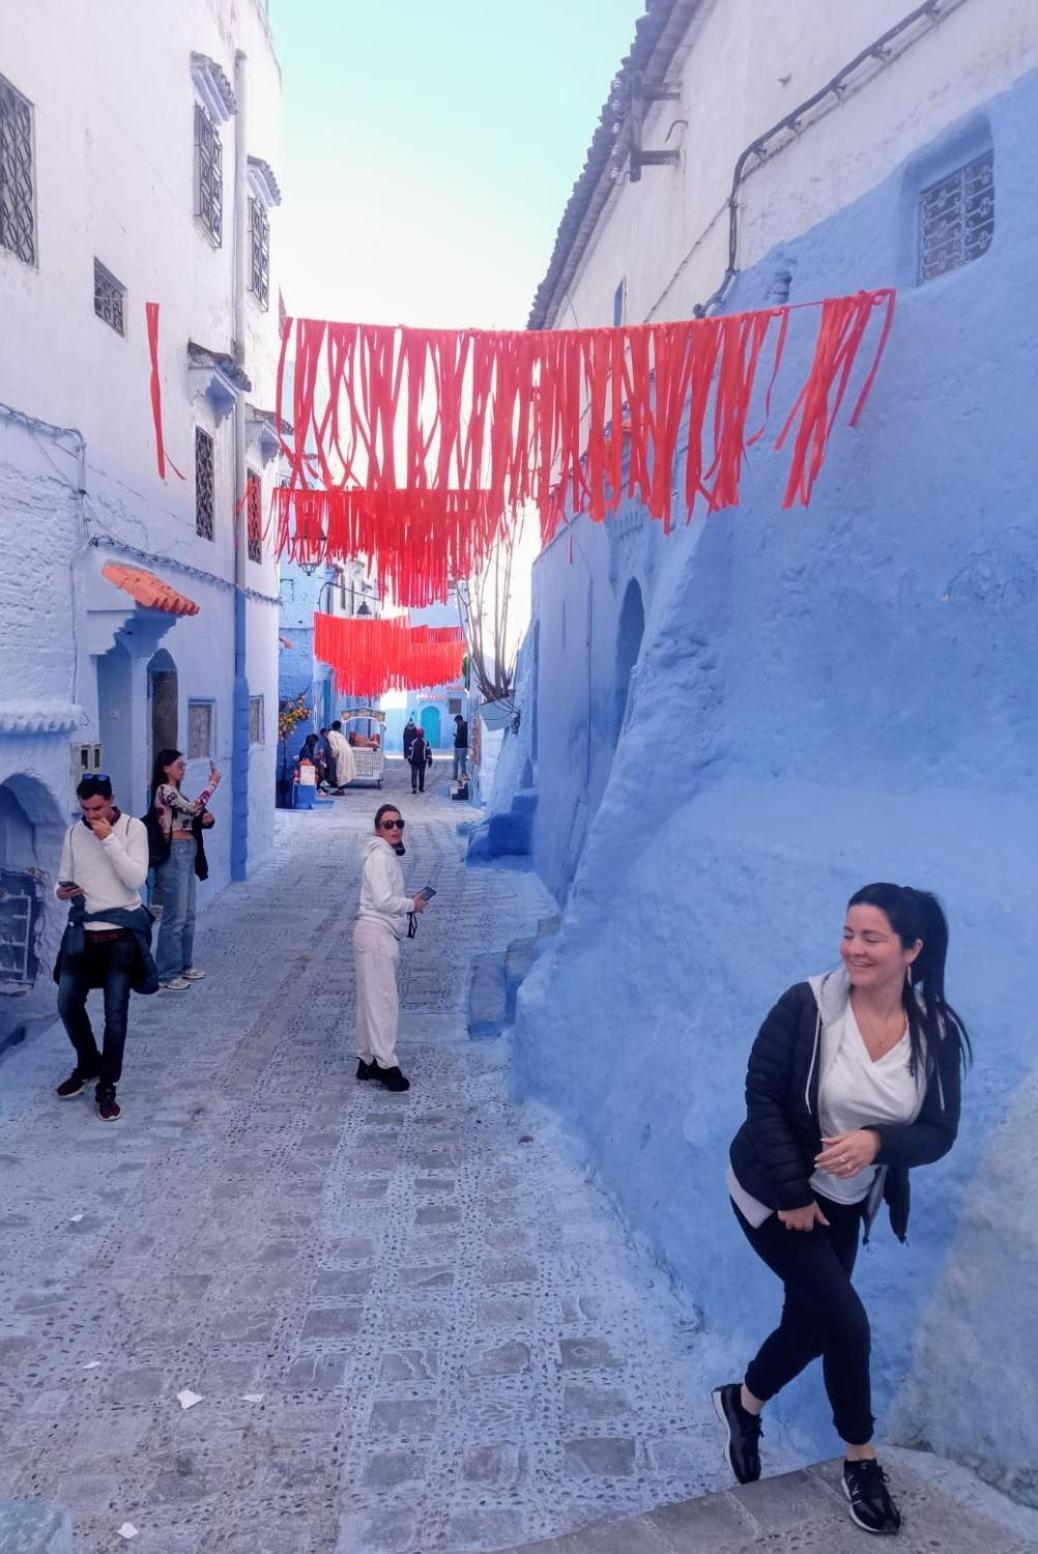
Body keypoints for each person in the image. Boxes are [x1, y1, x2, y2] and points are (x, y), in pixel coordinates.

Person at [714, 884, 971, 1537]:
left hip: (846, 1201)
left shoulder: (934, 1031)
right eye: (848, 933)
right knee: (847, 1324)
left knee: (810, 1329)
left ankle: (743, 1405)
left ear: (911, 949)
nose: (852, 948)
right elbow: (763, 1098)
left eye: (871, 937)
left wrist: (879, 1141)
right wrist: (793, 1195)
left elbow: (939, 1132)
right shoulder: (806, 1006)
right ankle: (860, 1460)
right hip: (772, 1191)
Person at [53, 773, 157, 1122]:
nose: (91, 816)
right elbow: (63, 877)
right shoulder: (73, 833)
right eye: (85, 809)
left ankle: (107, 1085)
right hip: (83, 932)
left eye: (97, 808)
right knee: (67, 1003)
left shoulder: (132, 830)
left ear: (110, 801)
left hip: (120, 936)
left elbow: (135, 880)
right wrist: (61, 891)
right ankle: (88, 1063)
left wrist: (109, 839)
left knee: (115, 1016)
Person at [353, 804, 428, 1091]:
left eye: (399, 823)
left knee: (370, 1000)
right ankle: (386, 1065)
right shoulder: (378, 858)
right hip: (376, 934)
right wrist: (412, 905)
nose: (395, 828)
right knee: (383, 1001)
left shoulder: (383, 856)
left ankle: (367, 1059)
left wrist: (409, 902)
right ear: (377, 829)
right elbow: (384, 901)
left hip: (373, 934)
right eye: (388, 824)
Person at [151, 749, 219, 991]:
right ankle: (166, 973)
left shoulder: (176, 793)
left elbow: (191, 816)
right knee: (175, 916)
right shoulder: (165, 791)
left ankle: (183, 964)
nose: (182, 767)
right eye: (178, 764)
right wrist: (212, 785)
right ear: (165, 768)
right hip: (175, 853)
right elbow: (192, 809)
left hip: (187, 850)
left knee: (188, 914)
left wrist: (205, 818)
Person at [326, 719, 357, 792]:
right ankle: (342, 788)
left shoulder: (331, 734)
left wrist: (333, 756)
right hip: (348, 751)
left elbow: (335, 747)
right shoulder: (339, 734)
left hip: (342, 753)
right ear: (339, 727)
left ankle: (341, 790)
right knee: (344, 769)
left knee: (340, 770)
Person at [409, 727, 429, 793]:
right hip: (422, 761)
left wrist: (409, 758)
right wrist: (429, 758)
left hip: (415, 761)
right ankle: (420, 788)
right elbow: (428, 751)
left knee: (415, 775)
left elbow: (410, 751)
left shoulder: (413, 741)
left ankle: (415, 788)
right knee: (421, 775)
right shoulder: (425, 742)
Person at [452, 713, 469, 782]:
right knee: (455, 761)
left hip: (463, 746)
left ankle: (463, 774)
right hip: (457, 746)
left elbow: (464, 737)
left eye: (457, 721)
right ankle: (455, 776)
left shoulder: (465, 726)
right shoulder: (459, 726)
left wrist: (457, 736)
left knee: (462, 762)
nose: (456, 723)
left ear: (460, 720)